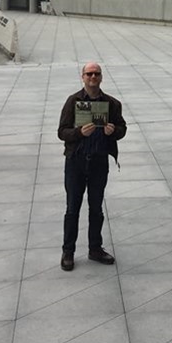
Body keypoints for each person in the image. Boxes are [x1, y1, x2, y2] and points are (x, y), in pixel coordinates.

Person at [57, 62, 127, 272]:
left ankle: (95, 248)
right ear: (83, 76)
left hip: (98, 162)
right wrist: (79, 133)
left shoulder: (111, 103)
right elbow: (61, 132)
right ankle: (68, 251)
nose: (93, 77)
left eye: (96, 74)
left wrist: (113, 131)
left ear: (101, 77)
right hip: (76, 161)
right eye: (89, 74)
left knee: (96, 208)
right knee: (72, 208)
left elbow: (122, 128)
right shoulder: (73, 101)